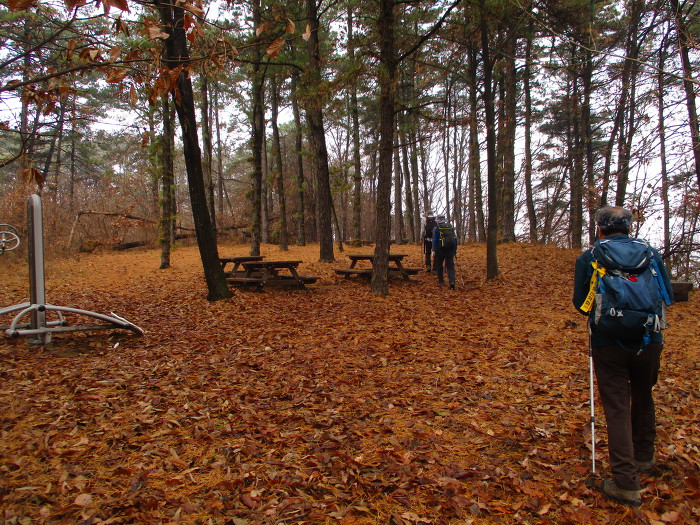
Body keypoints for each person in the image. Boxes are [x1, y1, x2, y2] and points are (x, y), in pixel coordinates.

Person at [573, 206, 673, 508]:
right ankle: (644, 456)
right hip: (649, 338)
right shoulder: (650, 253)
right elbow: (667, 294)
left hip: (609, 342)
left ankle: (627, 483)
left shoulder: (590, 257)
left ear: (599, 228)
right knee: (643, 395)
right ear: (629, 227)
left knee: (617, 407)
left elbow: (580, 303)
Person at [432, 215, 458, 290]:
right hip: (450, 248)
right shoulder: (450, 227)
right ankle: (452, 282)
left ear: (438, 221)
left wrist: (433, 250)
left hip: (440, 249)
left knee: (439, 264)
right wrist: (455, 250)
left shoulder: (437, 228)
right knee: (450, 266)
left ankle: (441, 281)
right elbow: (455, 239)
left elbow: (435, 240)